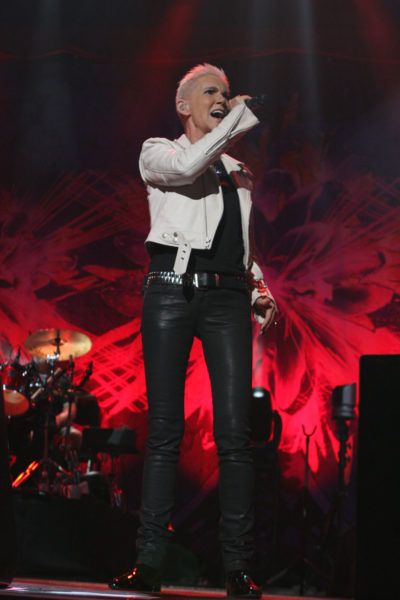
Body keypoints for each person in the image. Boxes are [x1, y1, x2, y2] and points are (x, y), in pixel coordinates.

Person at [110, 64, 276, 598]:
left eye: (225, 93)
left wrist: (259, 287)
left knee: (234, 436)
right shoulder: (158, 151)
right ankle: (149, 562)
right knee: (164, 430)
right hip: (171, 290)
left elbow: (239, 240)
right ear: (184, 106)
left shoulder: (238, 170)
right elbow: (187, 167)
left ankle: (237, 568)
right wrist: (237, 119)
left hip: (228, 298)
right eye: (210, 92)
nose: (222, 98)